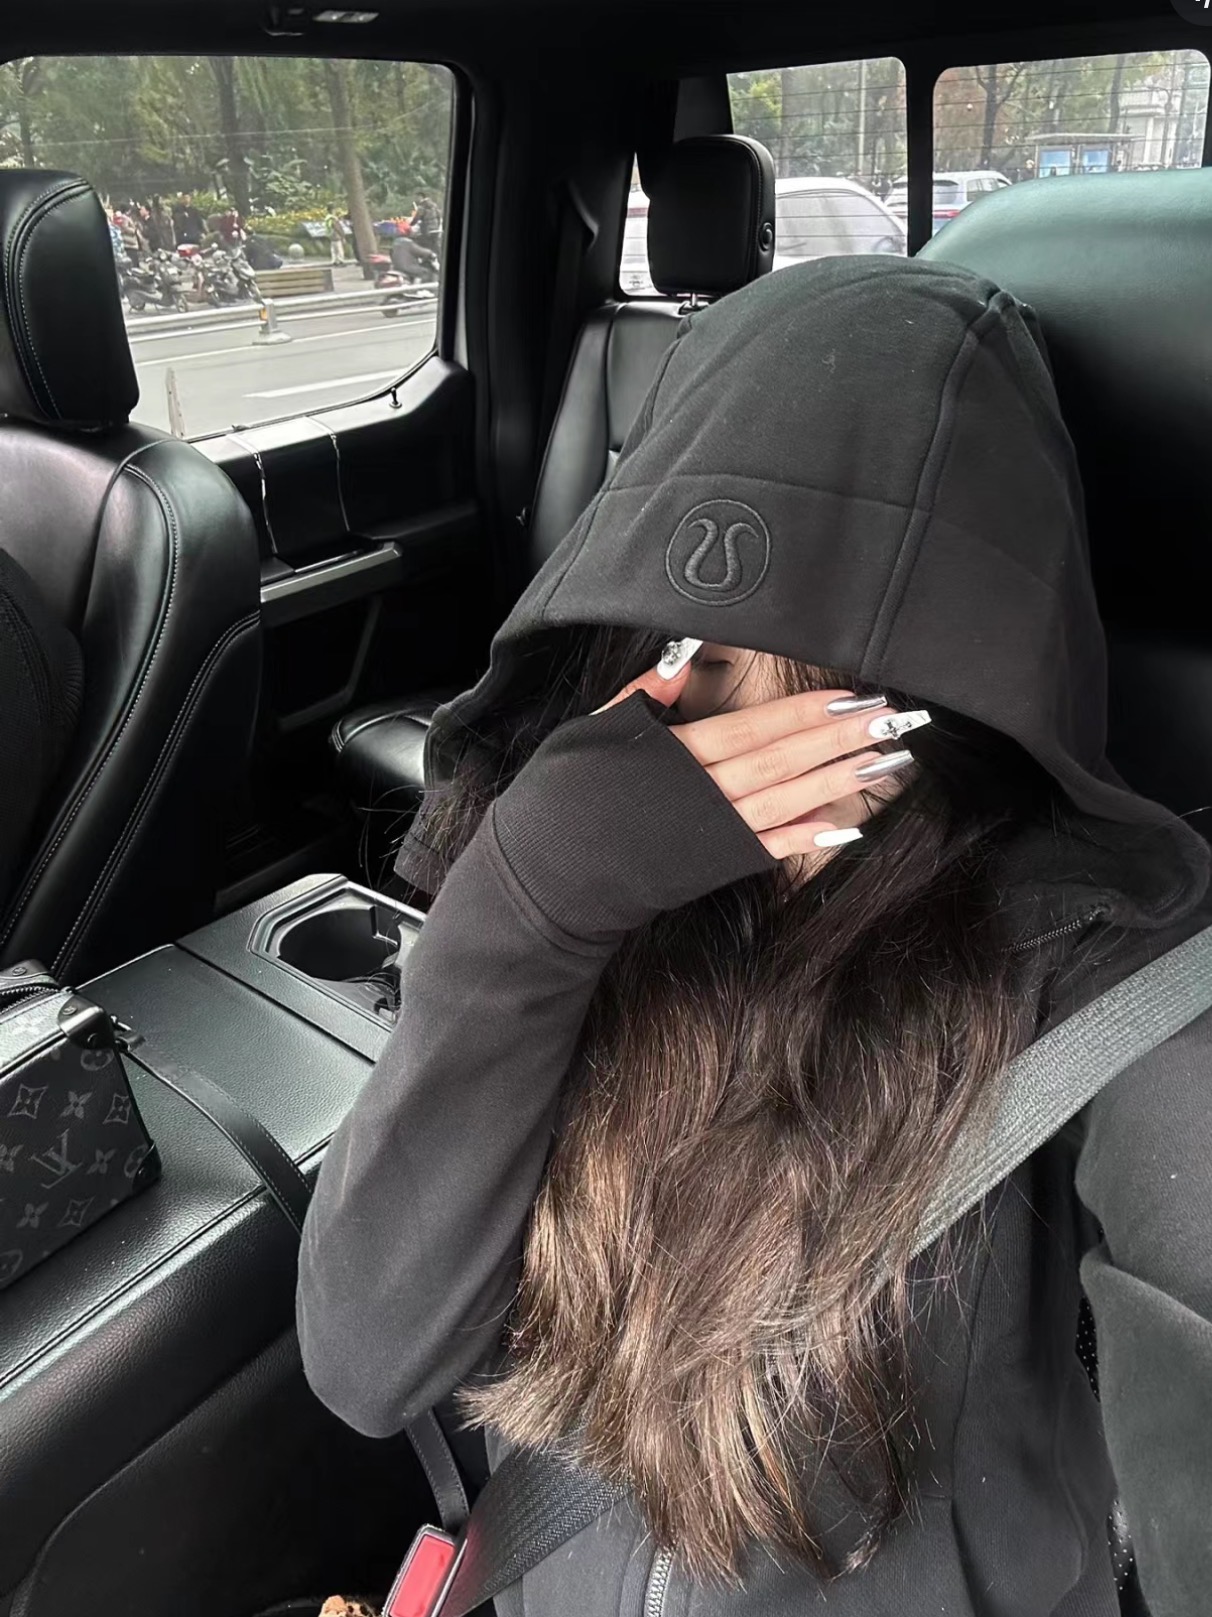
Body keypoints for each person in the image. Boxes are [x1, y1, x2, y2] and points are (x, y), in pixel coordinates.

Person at [297, 257, 1212, 1616]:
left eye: (833, 670)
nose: (738, 717)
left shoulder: (1096, 957)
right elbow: (367, 1363)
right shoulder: (587, 850)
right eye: (690, 648)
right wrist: (527, 902)